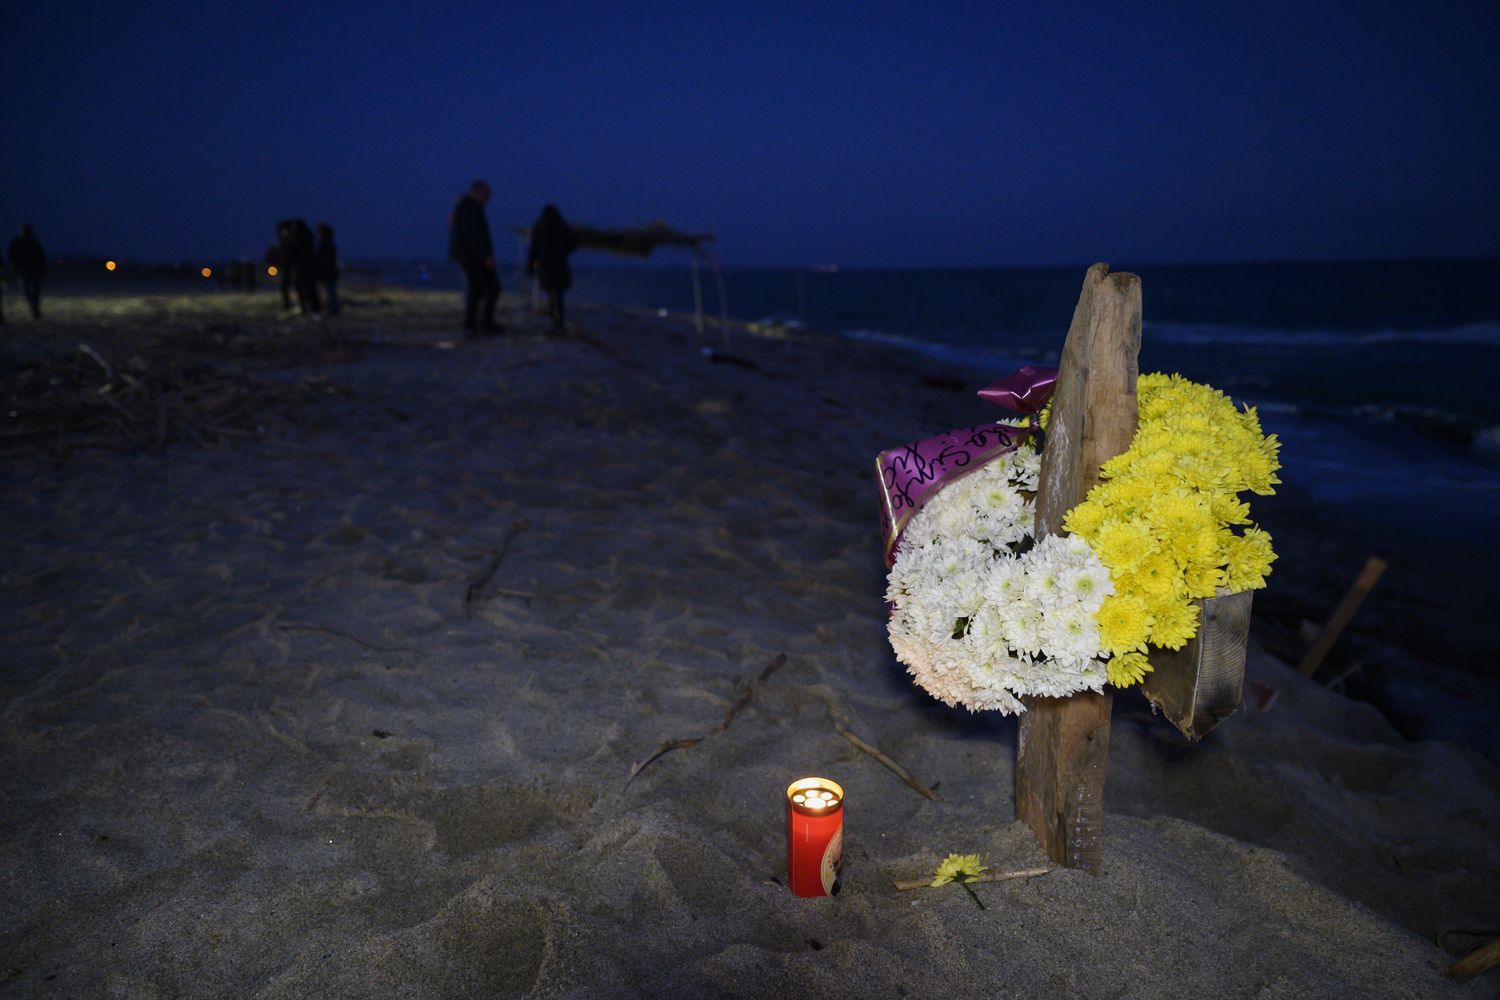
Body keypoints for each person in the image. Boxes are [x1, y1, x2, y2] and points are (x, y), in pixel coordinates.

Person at [448, 180, 501, 336]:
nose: (488, 198)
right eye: (486, 194)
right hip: (473, 256)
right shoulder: (469, 207)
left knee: (479, 289)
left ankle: (475, 324)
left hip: (470, 255)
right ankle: (480, 324)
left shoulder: (468, 207)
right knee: (488, 287)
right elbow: (474, 234)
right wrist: (486, 255)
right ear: (477, 192)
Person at [526, 204, 578, 333]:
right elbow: (572, 245)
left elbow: (534, 248)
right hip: (559, 264)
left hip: (546, 266)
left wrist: (531, 267)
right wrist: (562, 251)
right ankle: (558, 322)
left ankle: (553, 321)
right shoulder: (561, 225)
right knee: (559, 295)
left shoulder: (539, 226)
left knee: (550, 294)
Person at [8, 224, 46, 320]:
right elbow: (12, 256)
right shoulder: (19, 243)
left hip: (32, 271)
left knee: (33, 292)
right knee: (29, 291)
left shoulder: (33, 243)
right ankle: (34, 309)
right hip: (24, 271)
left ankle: (35, 309)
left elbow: (40, 257)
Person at [289, 219, 321, 315]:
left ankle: (306, 307)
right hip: (307, 266)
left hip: (302, 266)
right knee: (309, 287)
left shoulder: (299, 237)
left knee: (303, 287)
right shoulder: (308, 236)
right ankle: (313, 307)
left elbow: (294, 250)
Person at [315, 223, 340, 316]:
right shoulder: (326, 244)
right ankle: (332, 308)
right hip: (328, 271)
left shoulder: (327, 244)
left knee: (330, 290)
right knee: (329, 290)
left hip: (328, 272)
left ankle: (333, 309)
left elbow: (328, 259)